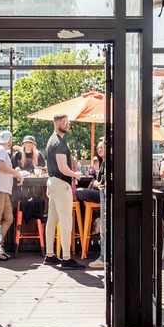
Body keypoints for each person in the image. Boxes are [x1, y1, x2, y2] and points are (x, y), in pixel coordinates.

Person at [43, 114, 86, 270]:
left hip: (54, 182)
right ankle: (66, 257)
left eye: (68, 122)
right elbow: (62, 167)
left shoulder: (51, 140)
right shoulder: (59, 143)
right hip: (61, 184)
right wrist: (76, 175)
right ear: (56, 124)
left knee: (52, 220)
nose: (68, 125)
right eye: (65, 123)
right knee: (66, 221)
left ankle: (49, 255)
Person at [0, 130, 24, 261]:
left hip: (2, 190)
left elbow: (2, 168)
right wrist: (16, 173)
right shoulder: (0, 150)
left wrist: (14, 172)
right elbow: (1, 167)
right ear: (10, 140)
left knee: (8, 218)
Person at [76, 141, 106, 268]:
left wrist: (97, 185)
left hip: (103, 195)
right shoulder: (103, 163)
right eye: (98, 147)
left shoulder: (106, 163)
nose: (99, 149)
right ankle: (96, 218)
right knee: (82, 194)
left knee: (80, 192)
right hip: (102, 196)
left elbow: (101, 183)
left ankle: (97, 218)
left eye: (102, 147)